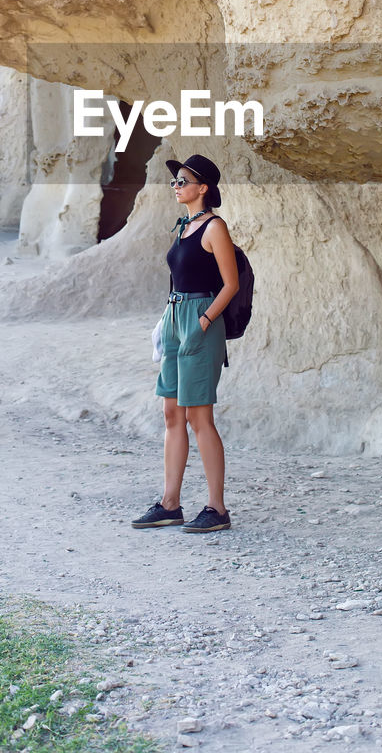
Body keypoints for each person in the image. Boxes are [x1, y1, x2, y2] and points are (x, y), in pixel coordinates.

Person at [131, 154, 239, 533]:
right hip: (175, 317)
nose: (176, 187)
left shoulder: (214, 228)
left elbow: (231, 285)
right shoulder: (183, 226)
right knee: (172, 413)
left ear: (202, 188)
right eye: (175, 182)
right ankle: (170, 503)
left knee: (199, 417)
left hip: (201, 320)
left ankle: (217, 509)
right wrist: (167, 321)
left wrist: (204, 322)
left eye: (182, 181)